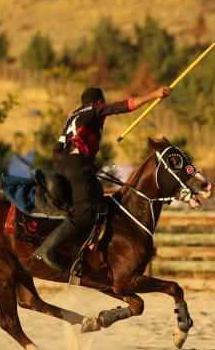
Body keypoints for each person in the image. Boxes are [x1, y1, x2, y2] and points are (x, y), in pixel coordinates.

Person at [33, 85, 171, 272]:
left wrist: (85, 165)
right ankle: (48, 249)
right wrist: (154, 94)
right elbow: (126, 105)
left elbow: (57, 149)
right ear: (99, 101)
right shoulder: (95, 108)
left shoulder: (73, 115)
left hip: (64, 164)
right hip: (76, 166)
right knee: (86, 212)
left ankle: (84, 253)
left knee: (99, 200)